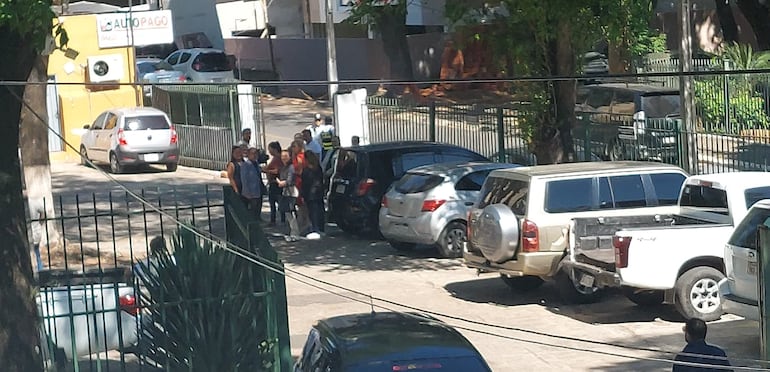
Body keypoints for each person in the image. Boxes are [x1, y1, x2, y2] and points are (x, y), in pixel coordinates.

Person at [277, 150, 301, 241]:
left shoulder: (291, 167)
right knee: (288, 213)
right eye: (282, 156)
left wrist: (282, 183)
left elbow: (290, 180)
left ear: (290, 157)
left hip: (291, 192)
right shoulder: (283, 167)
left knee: (292, 212)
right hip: (285, 192)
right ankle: (292, 232)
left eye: (286, 156)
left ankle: (295, 233)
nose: (283, 158)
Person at [302, 151, 325, 239]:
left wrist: (303, 194)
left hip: (310, 193)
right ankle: (320, 228)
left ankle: (316, 229)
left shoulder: (306, 170)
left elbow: (305, 183)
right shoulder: (317, 167)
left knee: (313, 212)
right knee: (319, 211)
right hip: (318, 192)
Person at [263, 141, 284, 226]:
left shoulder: (278, 159)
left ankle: (275, 220)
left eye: (270, 149)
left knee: (276, 202)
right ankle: (276, 219)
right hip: (274, 182)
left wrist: (266, 170)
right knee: (275, 202)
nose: (269, 151)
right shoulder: (276, 158)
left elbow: (277, 170)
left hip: (276, 183)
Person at [241, 148, 264, 219]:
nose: (254, 156)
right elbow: (244, 179)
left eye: (256, 154)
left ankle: (258, 219)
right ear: (248, 155)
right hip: (251, 192)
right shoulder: (246, 165)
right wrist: (247, 192)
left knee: (258, 208)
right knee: (252, 210)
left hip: (258, 190)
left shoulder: (256, 164)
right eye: (252, 154)